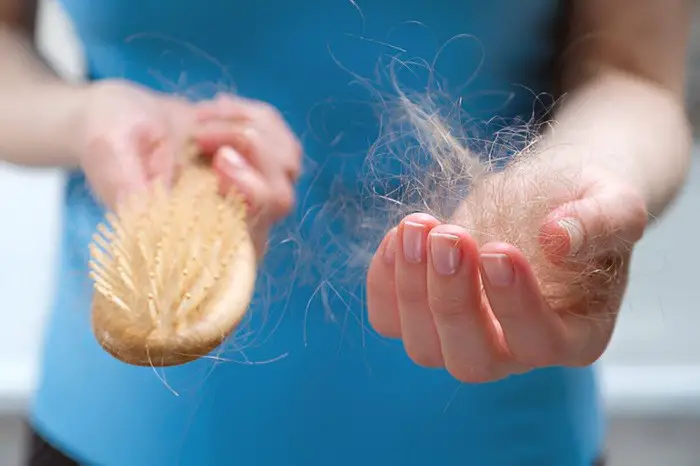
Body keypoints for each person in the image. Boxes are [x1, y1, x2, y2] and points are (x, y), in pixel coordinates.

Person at [0, 0, 692, 465]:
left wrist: (589, 177)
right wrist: (85, 117)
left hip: (501, 435)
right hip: (112, 436)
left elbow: (633, 77)